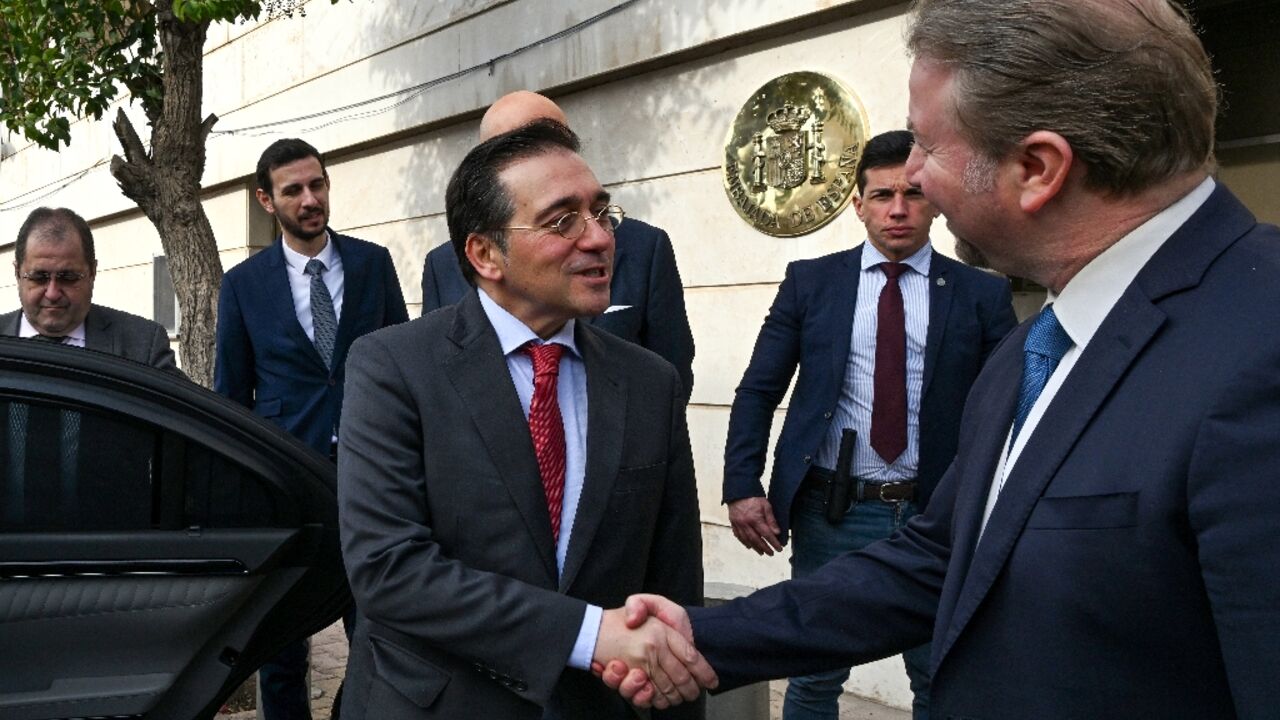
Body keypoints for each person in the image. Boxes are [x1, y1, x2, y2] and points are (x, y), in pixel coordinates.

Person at [600, 0, 1280, 717]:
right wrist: (704, 636)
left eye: (927, 146)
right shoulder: (1035, 347)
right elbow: (939, 562)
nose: (914, 181)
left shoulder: (1259, 350)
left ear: (1037, 167)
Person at [336, 119, 709, 720]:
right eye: (563, 221)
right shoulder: (393, 368)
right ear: (485, 254)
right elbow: (389, 570)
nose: (599, 239)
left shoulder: (649, 382)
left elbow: (672, 584)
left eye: (601, 213)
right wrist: (587, 634)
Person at [722, 129, 1015, 719]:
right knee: (813, 677)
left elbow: (1009, 403)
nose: (898, 209)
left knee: (940, 677)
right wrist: (742, 486)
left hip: (938, 516)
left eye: (912, 194)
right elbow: (759, 388)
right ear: (858, 204)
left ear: (933, 199)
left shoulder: (981, 293)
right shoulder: (813, 283)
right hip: (834, 510)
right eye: (882, 195)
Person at [215, 138, 409, 720]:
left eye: (317, 184)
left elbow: (402, 365)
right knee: (280, 645)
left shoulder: (373, 265)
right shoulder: (244, 286)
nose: (310, 199)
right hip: (286, 483)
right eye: (293, 190)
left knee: (376, 628)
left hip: (370, 476)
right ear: (266, 201)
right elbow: (232, 396)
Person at [421, 91, 695, 397]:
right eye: (517, 149)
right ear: (482, 255)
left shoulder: (644, 247)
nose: (597, 240)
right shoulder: (442, 265)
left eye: (554, 142)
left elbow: (671, 378)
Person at [3, 207, 179, 371]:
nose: (52, 293)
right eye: (39, 277)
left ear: (92, 272)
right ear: (17, 273)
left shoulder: (143, 346)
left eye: (68, 277)